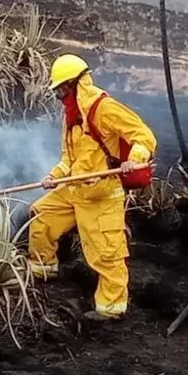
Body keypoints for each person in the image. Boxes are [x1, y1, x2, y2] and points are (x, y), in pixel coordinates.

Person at [28, 54, 157, 321]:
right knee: (42, 216)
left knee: (107, 254)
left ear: (78, 84)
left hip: (102, 194)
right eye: (57, 91)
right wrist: (54, 176)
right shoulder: (71, 117)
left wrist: (134, 160)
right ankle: (43, 269)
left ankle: (111, 309)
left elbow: (143, 136)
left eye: (63, 89)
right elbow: (69, 158)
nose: (60, 95)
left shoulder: (104, 109)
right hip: (74, 189)